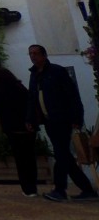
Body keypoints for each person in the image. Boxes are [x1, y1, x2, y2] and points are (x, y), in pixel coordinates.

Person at [25, 44, 98, 202]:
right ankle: (86, 189)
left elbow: (72, 95)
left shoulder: (57, 71)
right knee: (64, 155)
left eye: (35, 53)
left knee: (60, 153)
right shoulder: (34, 75)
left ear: (44, 55)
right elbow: (32, 98)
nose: (32, 56)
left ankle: (60, 189)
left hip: (62, 119)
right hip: (49, 121)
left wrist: (77, 118)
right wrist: (31, 119)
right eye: (30, 53)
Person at [0, 67, 37, 197]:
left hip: (13, 127)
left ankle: (27, 188)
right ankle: (33, 187)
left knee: (20, 158)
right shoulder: (20, 87)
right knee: (30, 157)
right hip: (28, 127)